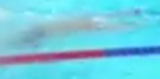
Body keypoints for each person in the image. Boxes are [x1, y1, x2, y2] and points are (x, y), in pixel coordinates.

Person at [11, 10, 146, 47]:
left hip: (41, 30)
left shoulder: (91, 20)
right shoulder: (92, 22)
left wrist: (127, 15)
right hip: (42, 31)